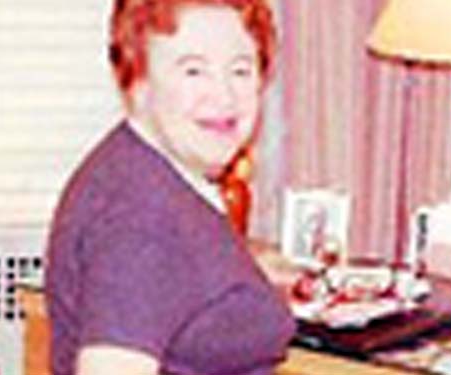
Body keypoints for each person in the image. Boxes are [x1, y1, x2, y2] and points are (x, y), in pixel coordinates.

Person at [44, 0, 297, 374]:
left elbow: (174, 279)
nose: (224, 96)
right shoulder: (141, 221)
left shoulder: (142, 169)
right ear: (137, 81)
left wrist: (246, 268)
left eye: (241, 71)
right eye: (193, 71)